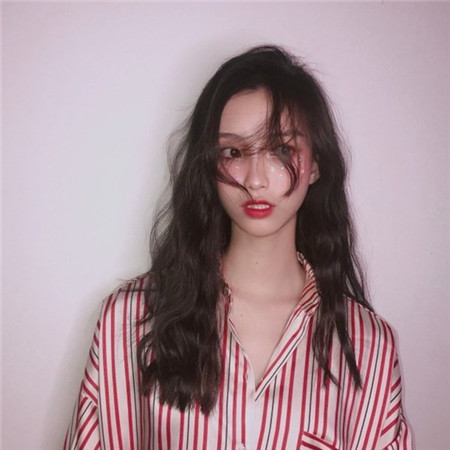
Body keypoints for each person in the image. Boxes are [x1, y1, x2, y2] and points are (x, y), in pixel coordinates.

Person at [64, 45, 413, 450]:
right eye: (233, 153)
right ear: (209, 164)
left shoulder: (369, 348)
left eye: (282, 150)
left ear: (316, 163)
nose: (255, 180)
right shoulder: (130, 321)